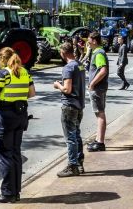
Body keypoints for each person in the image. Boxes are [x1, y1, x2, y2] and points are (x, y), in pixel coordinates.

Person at [0, 47, 35, 204]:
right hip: (20, 115)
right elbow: (31, 93)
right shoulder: (25, 72)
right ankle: (16, 191)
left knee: (5, 154)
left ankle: (7, 193)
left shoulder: (3, 73)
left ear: (1, 58)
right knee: (14, 153)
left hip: (5, 116)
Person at [54, 42, 85, 177]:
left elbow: (67, 89)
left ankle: (72, 165)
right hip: (79, 105)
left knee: (70, 137)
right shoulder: (80, 65)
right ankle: (79, 162)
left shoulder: (68, 68)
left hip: (69, 105)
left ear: (63, 53)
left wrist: (57, 85)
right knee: (76, 134)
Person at [86, 32, 109, 152]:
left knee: (100, 114)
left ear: (94, 41)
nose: (87, 42)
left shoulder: (99, 53)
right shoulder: (97, 52)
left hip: (97, 88)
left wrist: (92, 83)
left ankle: (100, 142)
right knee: (99, 113)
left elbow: (103, 70)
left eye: (89, 40)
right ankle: (98, 139)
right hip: (99, 88)